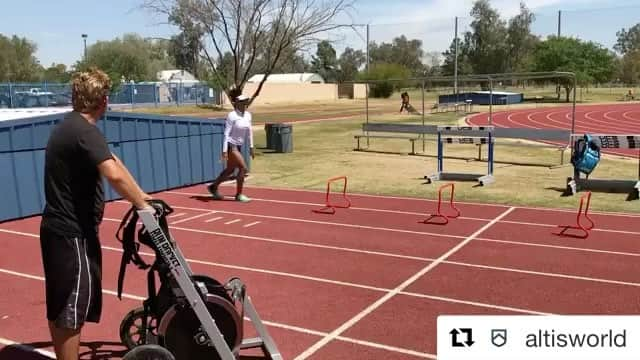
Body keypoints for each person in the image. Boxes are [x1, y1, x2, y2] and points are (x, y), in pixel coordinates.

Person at [39, 67, 152, 360]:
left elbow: (113, 159)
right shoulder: (83, 131)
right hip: (71, 235)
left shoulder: (74, 127)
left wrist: (141, 196)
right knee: (70, 310)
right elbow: (113, 174)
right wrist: (141, 206)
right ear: (103, 100)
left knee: (63, 305)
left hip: (60, 231)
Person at [207, 92, 255, 202]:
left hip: (239, 146)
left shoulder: (248, 115)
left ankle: (213, 187)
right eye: (242, 102)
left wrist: (251, 147)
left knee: (230, 170)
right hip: (231, 146)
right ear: (237, 103)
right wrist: (224, 151)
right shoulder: (232, 116)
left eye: (245, 102)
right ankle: (239, 194)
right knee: (243, 168)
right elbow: (226, 134)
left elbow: (250, 131)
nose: (244, 104)